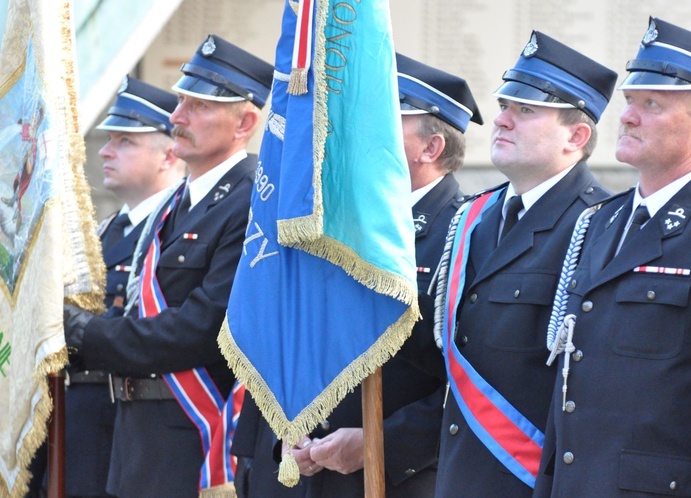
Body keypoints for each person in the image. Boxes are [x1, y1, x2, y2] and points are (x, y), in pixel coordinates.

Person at [231, 53, 484, 498]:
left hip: (389, 479)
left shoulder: (464, 234)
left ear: (431, 149)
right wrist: (275, 441)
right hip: (294, 469)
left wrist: (378, 443)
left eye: (381, 122)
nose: (353, 132)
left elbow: (468, 382)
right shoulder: (327, 221)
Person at [534, 18, 691, 497]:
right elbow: (569, 382)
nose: (627, 115)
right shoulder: (600, 222)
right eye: (630, 100)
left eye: (652, 104)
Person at [62, 34, 273, 498]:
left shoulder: (256, 203)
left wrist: (84, 333)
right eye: (180, 102)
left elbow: (205, 327)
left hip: (199, 436)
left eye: (198, 106)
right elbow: (138, 312)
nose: (178, 118)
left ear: (246, 122)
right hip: (136, 437)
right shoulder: (172, 206)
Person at [419, 31, 617, 497]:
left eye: (525, 110)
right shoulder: (473, 218)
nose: (502, 120)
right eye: (505, 105)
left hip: (531, 481)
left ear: (577, 135)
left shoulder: (599, 226)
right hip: (454, 476)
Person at [64, 76, 185, 498]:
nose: (104, 151)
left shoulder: (175, 230)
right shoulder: (102, 233)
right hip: (79, 422)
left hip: (130, 421)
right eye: (109, 138)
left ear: (170, 152)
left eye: (125, 141)